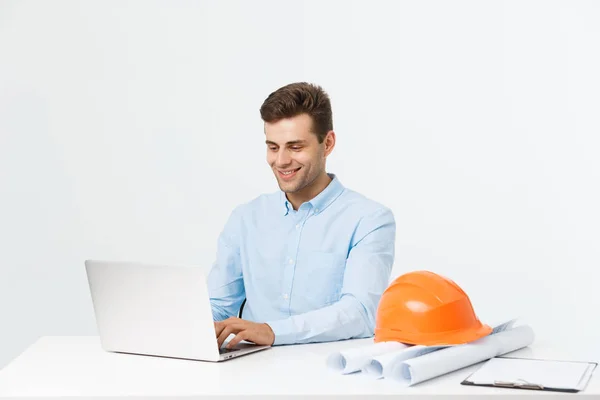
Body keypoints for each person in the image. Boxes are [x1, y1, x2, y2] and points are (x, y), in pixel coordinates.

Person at [208, 82, 396, 349]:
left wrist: (271, 332)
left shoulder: (369, 219)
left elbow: (360, 313)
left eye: (295, 147)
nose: (281, 161)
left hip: (328, 374)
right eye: (273, 147)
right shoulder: (245, 219)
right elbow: (218, 306)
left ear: (327, 143)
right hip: (248, 371)